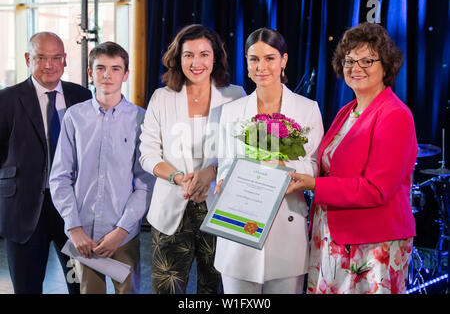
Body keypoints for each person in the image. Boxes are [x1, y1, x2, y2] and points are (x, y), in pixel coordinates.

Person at [287, 22, 417, 294]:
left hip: (373, 244)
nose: (356, 67)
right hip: (332, 234)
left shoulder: (395, 114)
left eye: (367, 60)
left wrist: (313, 184)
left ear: (387, 66)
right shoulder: (347, 111)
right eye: (350, 60)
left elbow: (375, 189)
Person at [214, 27, 324, 294]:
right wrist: (222, 182)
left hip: (288, 223)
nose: (261, 67)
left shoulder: (308, 109)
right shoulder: (231, 111)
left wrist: (278, 165)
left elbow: (315, 165)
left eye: (270, 58)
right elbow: (225, 162)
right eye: (254, 59)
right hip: (240, 223)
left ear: (283, 60)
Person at [139, 24, 245, 294]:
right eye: (188, 55)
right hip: (171, 209)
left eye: (204, 54)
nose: (196, 62)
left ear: (215, 57)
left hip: (220, 208)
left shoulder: (236, 96)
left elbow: (245, 153)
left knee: (214, 289)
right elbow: (148, 152)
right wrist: (177, 177)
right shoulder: (161, 97)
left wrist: (210, 173)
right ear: (178, 58)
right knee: (167, 290)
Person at [49, 41, 154, 294]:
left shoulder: (142, 119)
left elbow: (146, 184)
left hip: (123, 233)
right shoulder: (74, 117)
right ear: (90, 73)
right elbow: (60, 177)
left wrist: (121, 230)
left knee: (128, 291)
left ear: (126, 74)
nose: (107, 75)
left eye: (116, 69)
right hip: (81, 233)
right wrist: (74, 228)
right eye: (101, 68)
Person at [0, 32, 91, 294]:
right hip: (24, 211)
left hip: (73, 211)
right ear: (29, 59)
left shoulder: (82, 96)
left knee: (81, 285)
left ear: (65, 60)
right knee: (27, 288)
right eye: (41, 57)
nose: (49, 64)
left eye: (56, 58)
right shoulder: (6, 100)